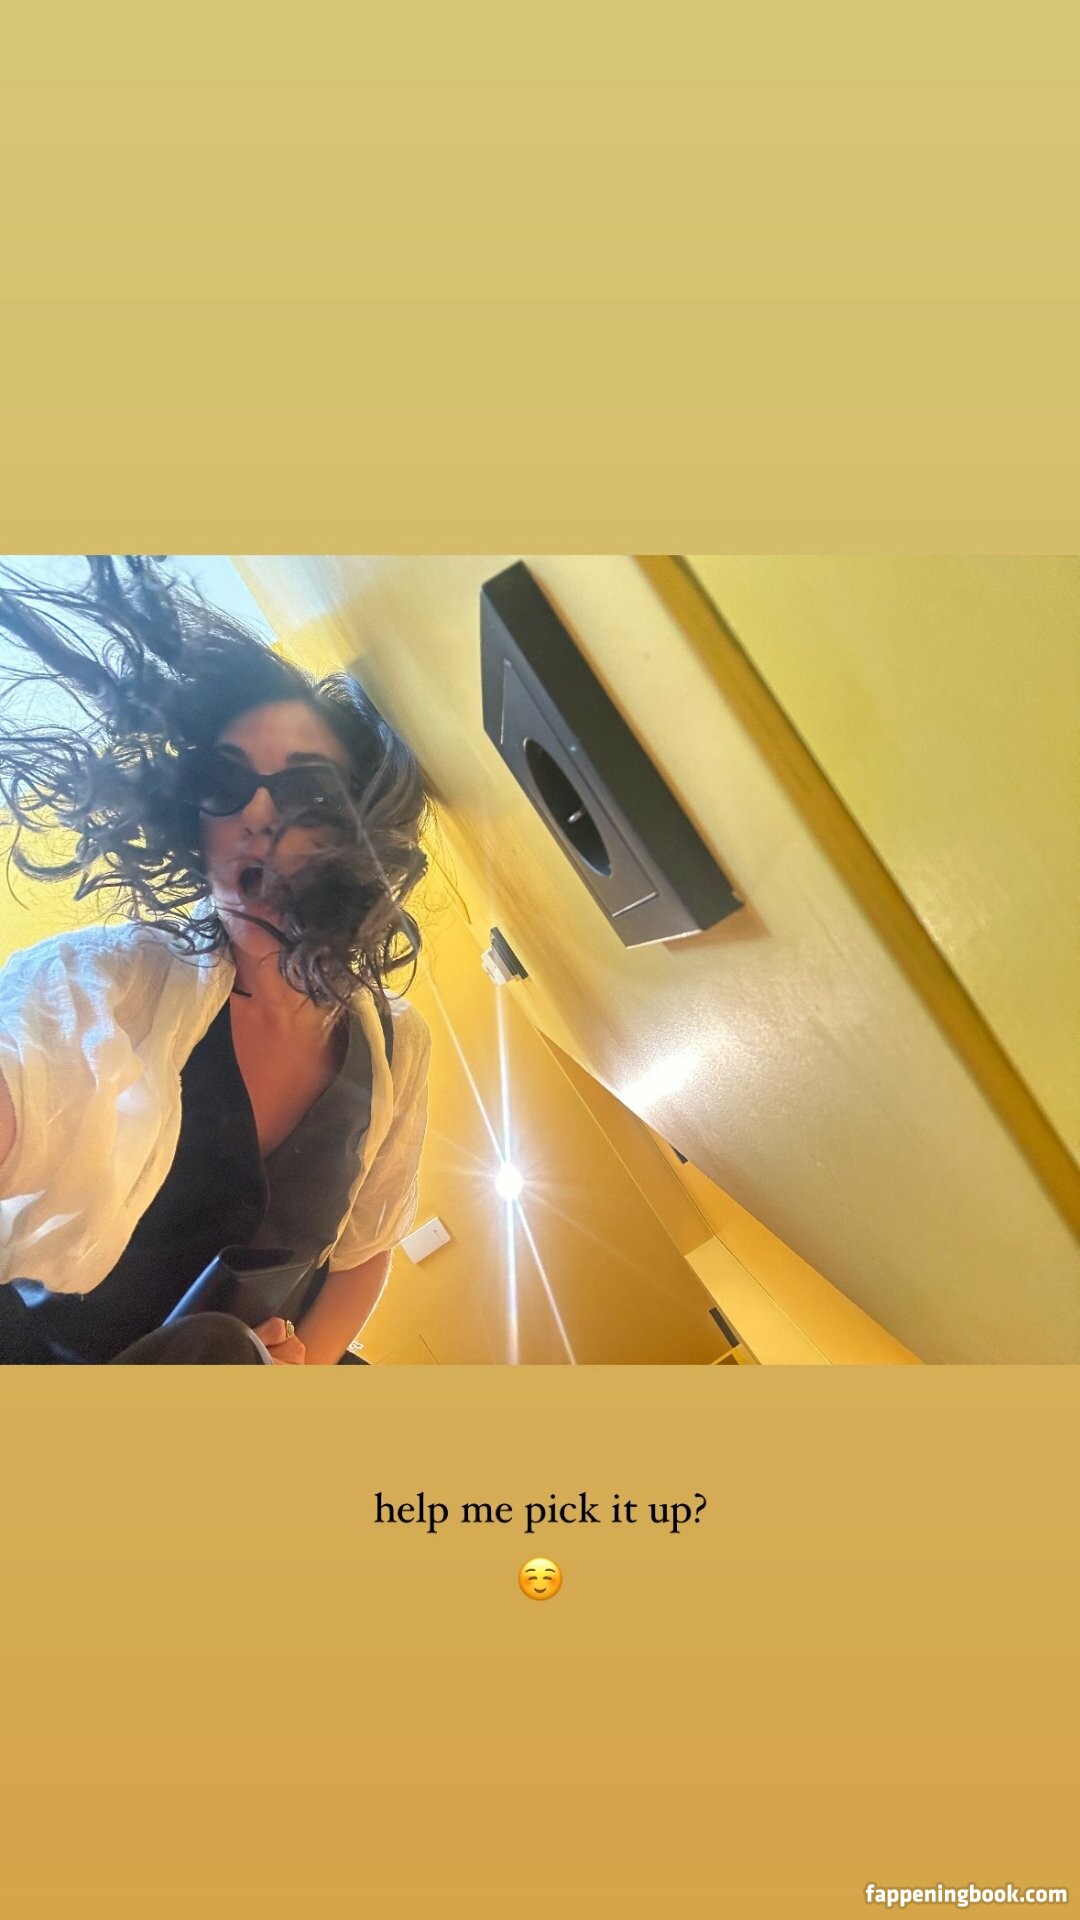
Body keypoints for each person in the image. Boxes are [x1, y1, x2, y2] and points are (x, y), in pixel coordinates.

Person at [0, 556, 431, 1363]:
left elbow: (362, 1254)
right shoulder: (106, 986)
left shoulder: (395, 1047)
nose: (255, 816)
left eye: (307, 791)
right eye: (222, 783)